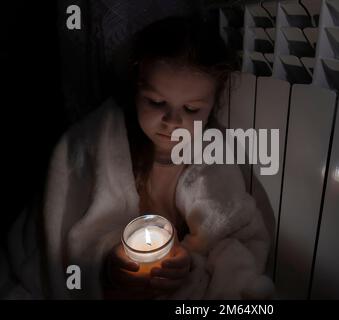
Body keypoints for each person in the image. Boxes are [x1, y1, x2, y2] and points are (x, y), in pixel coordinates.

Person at [4, 14, 275, 300]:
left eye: (192, 109)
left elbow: (230, 233)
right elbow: (72, 234)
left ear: (212, 106)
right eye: (156, 103)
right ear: (136, 91)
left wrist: (187, 263)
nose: (172, 121)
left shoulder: (211, 154)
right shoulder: (100, 140)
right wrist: (107, 264)